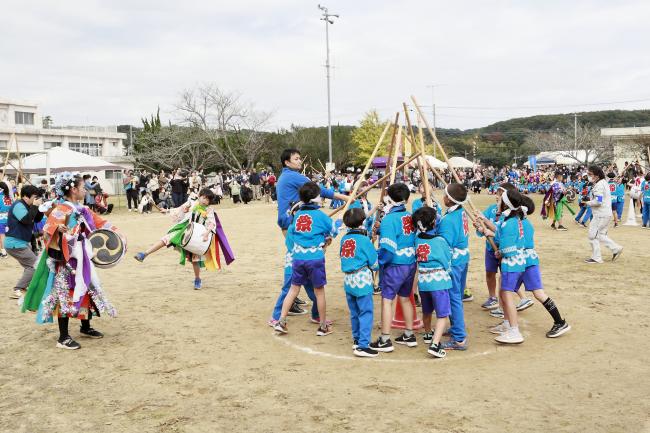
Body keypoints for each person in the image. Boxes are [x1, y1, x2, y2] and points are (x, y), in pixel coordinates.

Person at [21, 173, 122, 350]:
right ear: (74, 189)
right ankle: (63, 337)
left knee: (88, 288)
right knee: (65, 293)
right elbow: (47, 230)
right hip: (67, 260)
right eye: (83, 187)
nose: (85, 190)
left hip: (83, 256)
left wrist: (115, 232)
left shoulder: (83, 208)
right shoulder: (61, 209)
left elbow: (100, 223)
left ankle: (85, 326)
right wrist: (58, 229)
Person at [268, 149, 347, 326]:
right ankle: (278, 315)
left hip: (292, 223)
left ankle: (316, 313)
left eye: (299, 158)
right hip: (291, 225)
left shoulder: (287, 176)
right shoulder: (292, 177)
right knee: (294, 269)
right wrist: (345, 197)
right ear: (287, 162)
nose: (299, 161)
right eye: (296, 159)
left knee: (306, 269)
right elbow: (318, 190)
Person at [491, 195, 570, 339]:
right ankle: (507, 323)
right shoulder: (521, 222)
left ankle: (559, 321)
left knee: (515, 292)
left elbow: (509, 240)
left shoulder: (518, 223)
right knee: (511, 291)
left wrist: (500, 247)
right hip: (527, 260)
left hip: (525, 261)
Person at [274, 182, 339, 336]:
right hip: (314, 258)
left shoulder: (297, 216)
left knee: (293, 289)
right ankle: (323, 326)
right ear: (316, 198)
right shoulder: (320, 215)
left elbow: (295, 235)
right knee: (319, 292)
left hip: (298, 258)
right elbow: (333, 230)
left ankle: (281, 321)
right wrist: (337, 225)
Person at [134, 188, 230, 289]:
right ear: (199, 196)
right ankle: (144, 254)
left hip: (197, 235)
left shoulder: (209, 210)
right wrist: (167, 210)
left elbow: (212, 224)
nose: (205, 200)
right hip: (184, 228)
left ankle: (197, 279)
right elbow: (180, 208)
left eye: (207, 199)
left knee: (195, 259)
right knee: (166, 239)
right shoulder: (192, 202)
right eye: (203, 197)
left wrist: (206, 234)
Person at [369, 183, 417, 353]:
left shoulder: (389, 219)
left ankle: (385, 339)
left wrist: (378, 262)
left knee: (387, 300)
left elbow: (388, 249)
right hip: (410, 263)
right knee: (405, 297)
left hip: (395, 264)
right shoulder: (409, 215)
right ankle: (409, 334)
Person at [412, 206, 451, 358]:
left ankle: (428, 333)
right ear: (434, 223)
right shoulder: (440, 240)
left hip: (423, 280)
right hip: (439, 281)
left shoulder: (417, 239)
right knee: (442, 314)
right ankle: (435, 344)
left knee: (427, 310)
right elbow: (447, 260)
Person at [339, 208, 379, 358]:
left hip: (348, 279)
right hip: (361, 279)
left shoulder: (345, 239)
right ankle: (363, 345)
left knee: (354, 312)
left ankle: (357, 339)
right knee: (366, 312)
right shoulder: (364, 240)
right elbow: (375, 264)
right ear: (362, 221)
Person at [436, 183, 470, 351]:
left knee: (453, 297)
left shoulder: (449, 220)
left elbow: (445, 246)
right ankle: (456, 327)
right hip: (463, 258)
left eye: (445, 195)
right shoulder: (461, 212)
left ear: (449, 200)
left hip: (454, 262)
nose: (442, 198)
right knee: (456, 296)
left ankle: (459, 338)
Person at [4, 185, 44, 298]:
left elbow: (36, 219)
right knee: (35, 265)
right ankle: (18, 289)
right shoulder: (18, 205)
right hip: (14, 243)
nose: (35, 199)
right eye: (35, 197)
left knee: (30, 266)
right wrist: (35, 206)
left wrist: (39, 207)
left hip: (20, 243)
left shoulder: (28, 205)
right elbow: (26, 220)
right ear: (26, 196)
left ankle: (23, 287)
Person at [583, 165, 623, 264]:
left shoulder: (600, 185)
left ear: (596, 175)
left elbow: (599, 201)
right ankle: (616, 248)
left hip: (600, 215)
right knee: (600, 235)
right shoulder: (603, 182)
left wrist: (588, 203)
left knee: (593, 236)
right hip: (605, 213)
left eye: (590, 174)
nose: (588, 176)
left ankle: (596, 257)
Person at [0, 181, 13, 258]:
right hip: (9, 219)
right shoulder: (9, 197)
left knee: (2, 236)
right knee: (4, 236)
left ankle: (4, 252)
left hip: (1, 219)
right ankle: (3, 251)